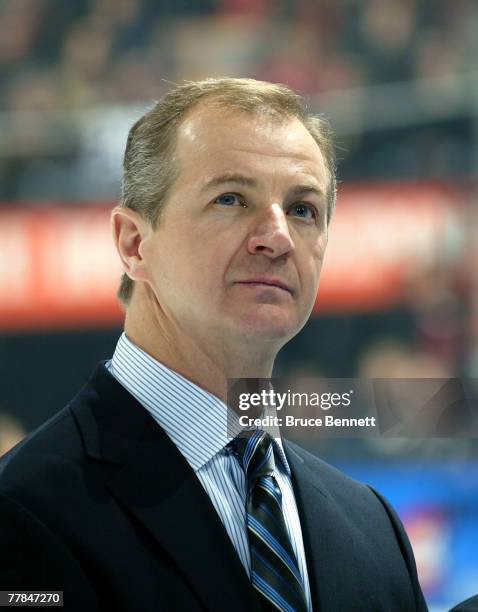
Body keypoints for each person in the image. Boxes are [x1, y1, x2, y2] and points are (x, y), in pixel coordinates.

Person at [0, 78, 427, 611]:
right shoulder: (23, 509)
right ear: (133, 245)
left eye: (303, 209)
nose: (277, 237)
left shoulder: (372, 527)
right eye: (231, 198)